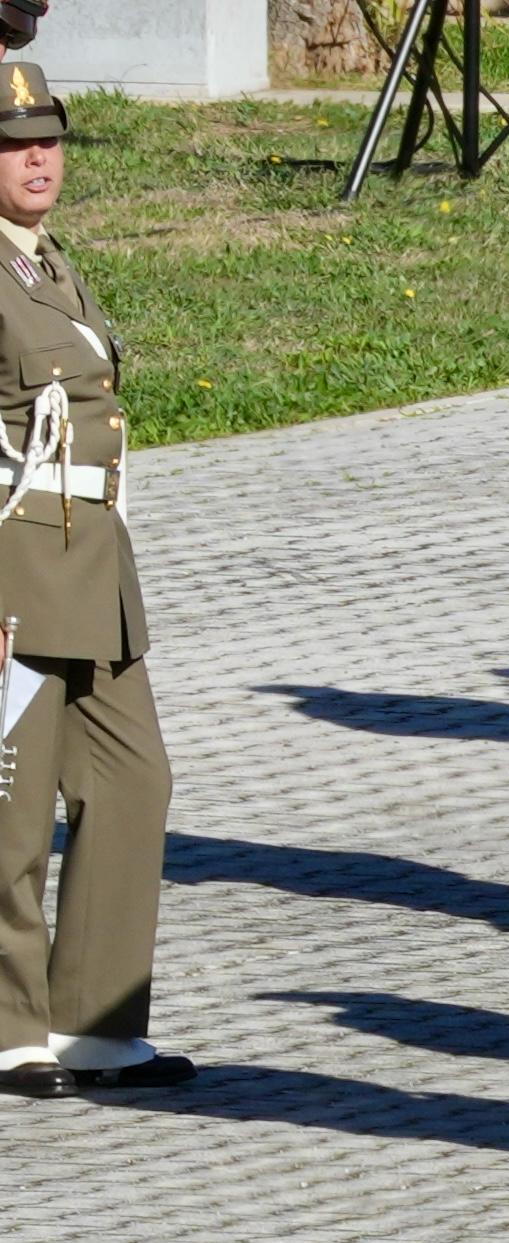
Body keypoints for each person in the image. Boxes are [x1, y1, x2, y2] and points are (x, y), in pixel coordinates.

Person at [0, 61, 170, 1100]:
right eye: (13, 146)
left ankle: (96, 1021)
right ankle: (9, 1025)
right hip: (14, 570)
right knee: (9, 810)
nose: (35, 160)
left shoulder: (47, 264)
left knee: (132, 781)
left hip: (90, 570)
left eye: (48, 142)